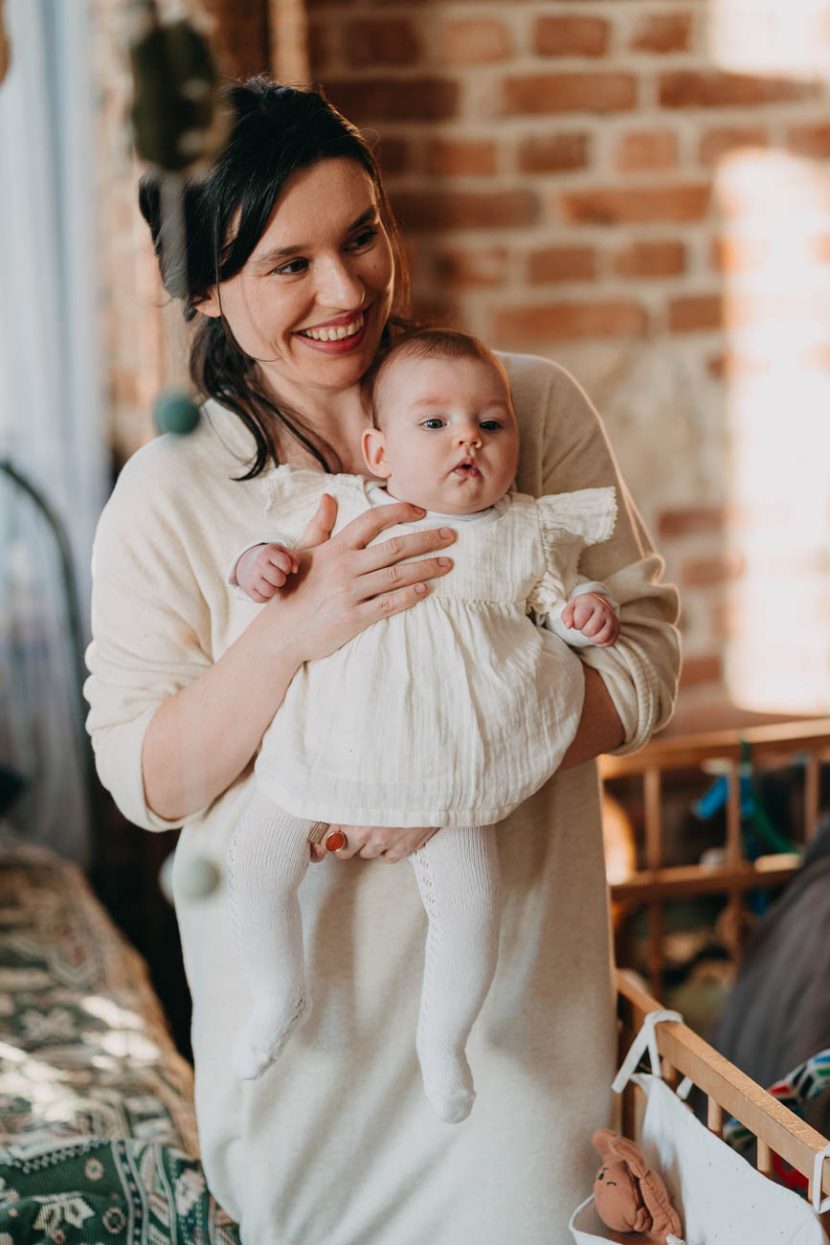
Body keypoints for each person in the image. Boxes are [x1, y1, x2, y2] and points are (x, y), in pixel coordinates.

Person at [85, 76, 680, 1245]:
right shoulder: (173, 491)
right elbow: (144, 778)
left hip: (513, 1041)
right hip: (305, 1076)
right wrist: (297, 634)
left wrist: (463, 767)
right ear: (205, 288)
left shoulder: (515, 411)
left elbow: (644, 662)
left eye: (361, 236)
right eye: (286, 265)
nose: (345, 290)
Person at [227, 326, 621, 1124]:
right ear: (378, 450)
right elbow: (278, 566)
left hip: (451, 764)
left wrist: (587, 614)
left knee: (473, 906)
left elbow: (559, 610)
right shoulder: (348, 509)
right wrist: (257, 564)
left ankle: (443, 1040)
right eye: (434, 423)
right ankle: (277, 991)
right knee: (257, 861)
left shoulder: (527, 529)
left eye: (491, 422)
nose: (467, 438)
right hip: (331, 742)